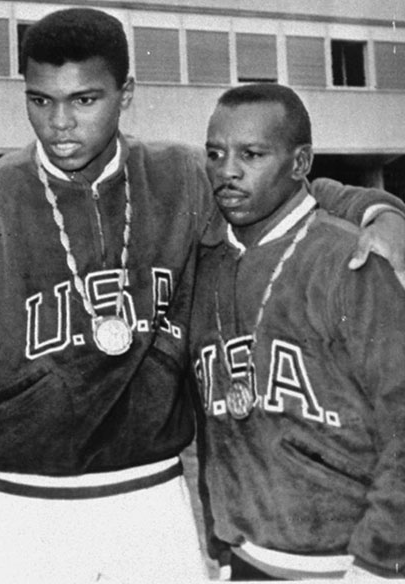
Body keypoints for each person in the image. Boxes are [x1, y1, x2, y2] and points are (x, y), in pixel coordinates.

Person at [0, 8, 405, 583]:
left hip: (150, 496)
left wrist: (379, 212)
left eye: (84, 100)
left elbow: (293, 192)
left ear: (127, 94)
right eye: (41, 101)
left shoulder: (178, 178)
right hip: (20, 506)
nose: (61, 124)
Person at [191, 83, 405, 580]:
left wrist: (380, 561)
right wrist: (219, 542)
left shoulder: (351, 260)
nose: (228, 171)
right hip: (245, 557)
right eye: (215, 154)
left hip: (350, 564)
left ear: (300, 162)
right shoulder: (208, 263)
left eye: (252, 154)